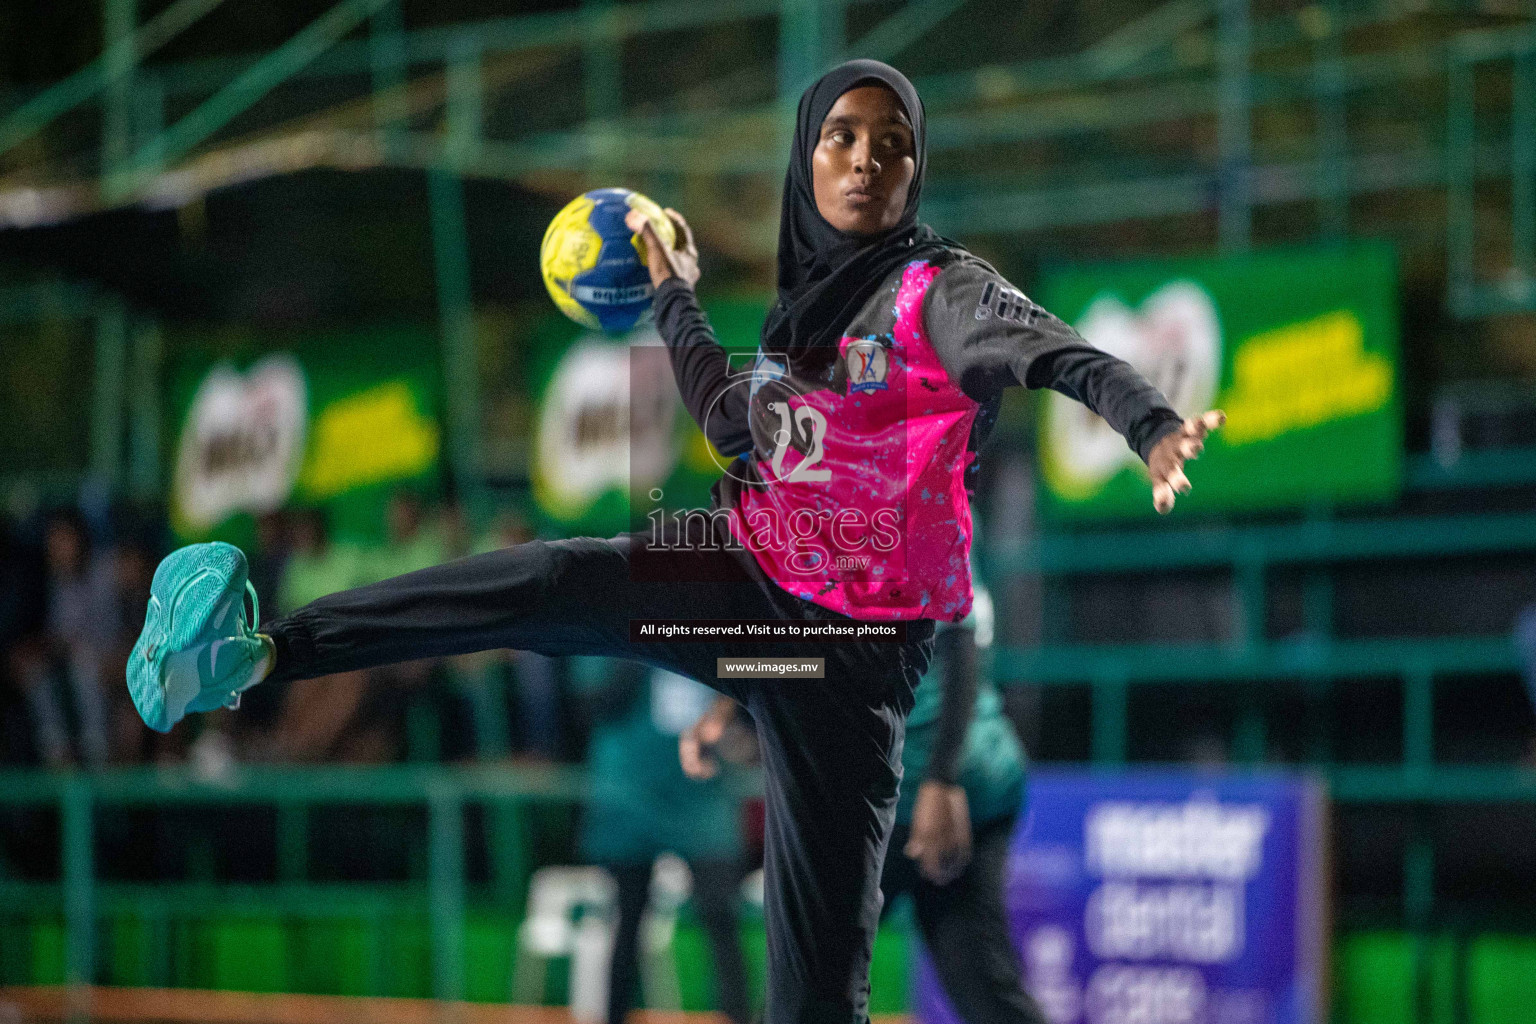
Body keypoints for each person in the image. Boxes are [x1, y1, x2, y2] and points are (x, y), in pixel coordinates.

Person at [127, 59, 1220, 1023]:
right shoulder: (799, 323)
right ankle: (260, 651)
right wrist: (671, 294)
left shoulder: (944, 292)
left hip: (847, 664)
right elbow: (725, 421)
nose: (866, 159)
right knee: (553, 580)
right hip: (749, 588)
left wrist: (1149, 423)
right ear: (806, 154)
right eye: (842, 135)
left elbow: (1059, 352)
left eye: (894, 144)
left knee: (814, 989)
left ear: (914, 171)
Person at [681, 576, 1044, 1023]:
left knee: (805, 987)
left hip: (942, 794)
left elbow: (961, 649)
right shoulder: (820, 545)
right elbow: (814, 653)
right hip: (905, 793)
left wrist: (942, 783)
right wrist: (725, 710)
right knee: (980, 989)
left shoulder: (919, 518)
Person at [576, 659, 750, 1024]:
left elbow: (773, 667)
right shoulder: (611, 624)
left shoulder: (708, 625)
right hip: (630, 791)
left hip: (701, 795)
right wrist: (642, 641)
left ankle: (740, 1017)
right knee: (628, 916)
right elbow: (594, 702)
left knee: (721, 913)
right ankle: (614, 1016)